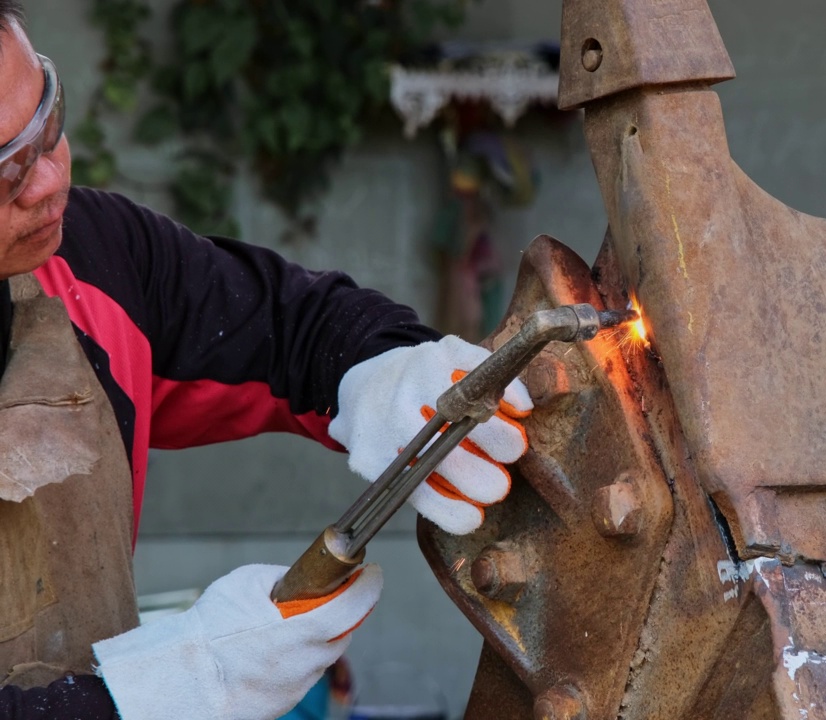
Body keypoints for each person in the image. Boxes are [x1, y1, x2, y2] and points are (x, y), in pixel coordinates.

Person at [0, 3, 532, 718]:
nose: (49, 182)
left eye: (48, 124)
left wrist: (381, 371)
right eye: (7, 170)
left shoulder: (90, 260)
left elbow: (291, 324)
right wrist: (154, 696)